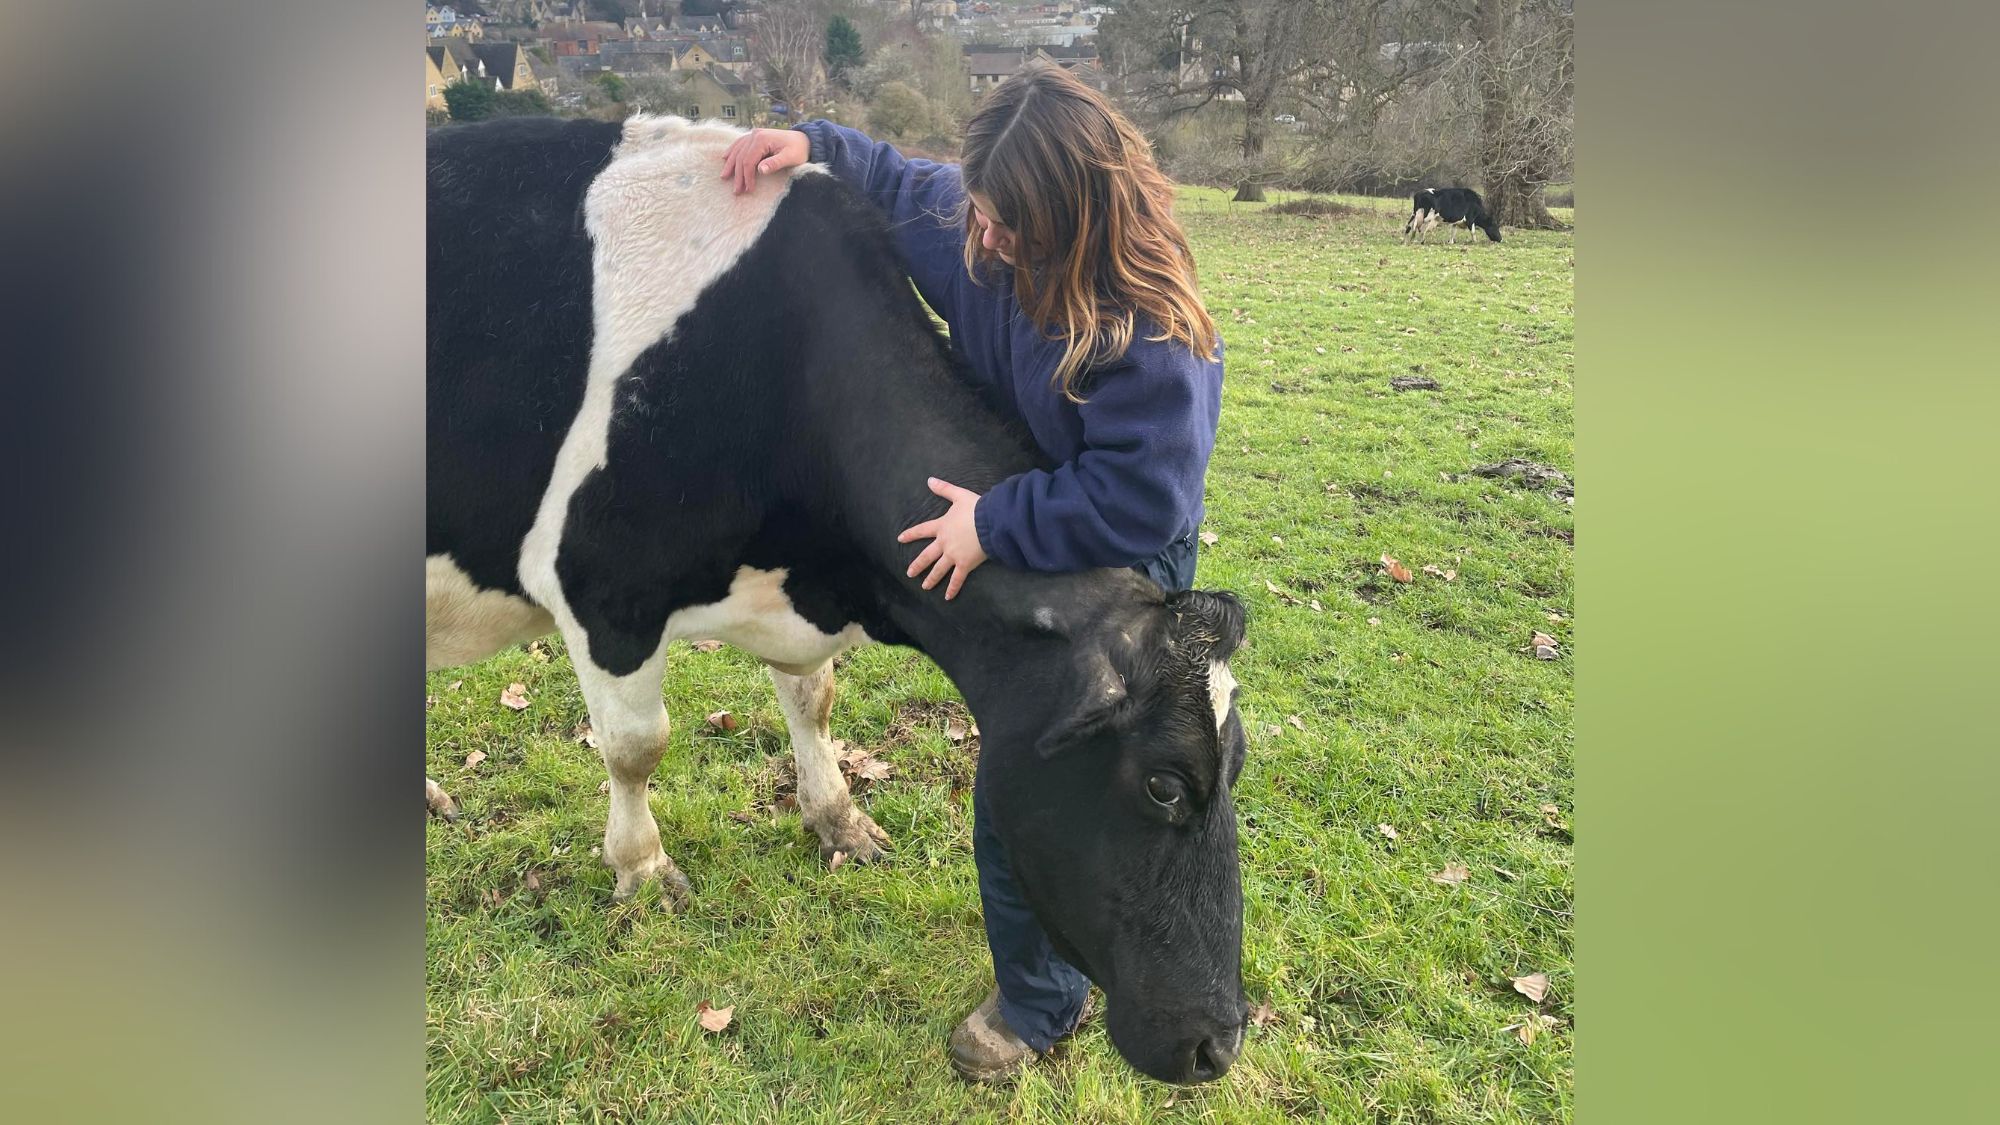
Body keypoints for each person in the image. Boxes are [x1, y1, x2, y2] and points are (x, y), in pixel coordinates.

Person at [721, 62, 1225, 1083]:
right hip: (1040, 524)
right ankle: (1080, 950)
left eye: (1008, 228)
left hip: (1120, 557)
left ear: (1076, 219)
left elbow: (1142, 500)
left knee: (1038, 784)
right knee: (1072, 780)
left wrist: (997, 522)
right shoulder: (987, 242)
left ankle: (1040, 1002)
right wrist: (813, 142)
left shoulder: (1141, 326)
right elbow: (910, 188)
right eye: (982, 215)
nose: (982, 241)